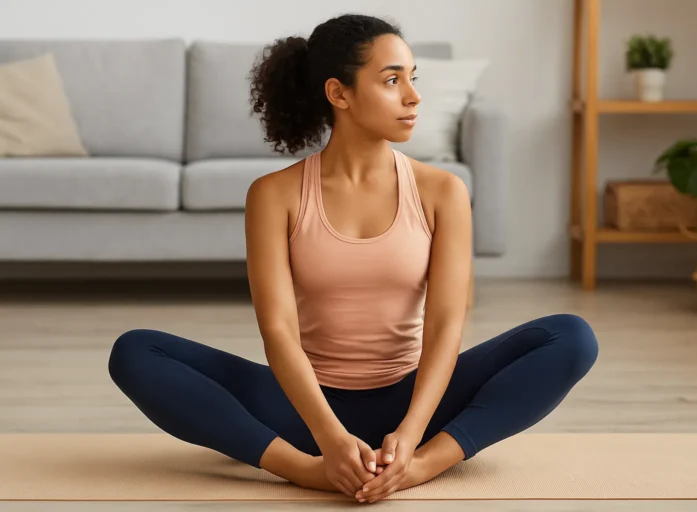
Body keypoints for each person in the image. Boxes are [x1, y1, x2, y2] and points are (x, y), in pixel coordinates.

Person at [107, 13, 599, 504]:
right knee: (135, 352)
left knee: (571, 338)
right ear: (339, 94)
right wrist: (327, 441)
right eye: (391, 80)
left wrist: (413, 436)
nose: (413, 96)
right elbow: (277, 330)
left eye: (412, 78)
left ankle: (423, 465)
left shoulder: (443, 191)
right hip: (303, 409)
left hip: (418, 402)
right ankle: (303, 470)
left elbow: (447, 322)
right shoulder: (274, 195)